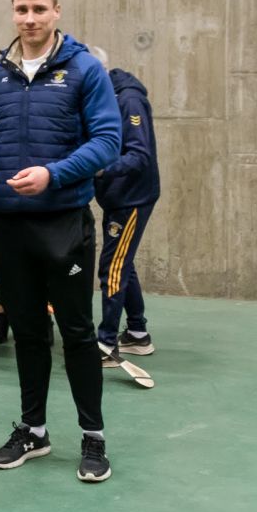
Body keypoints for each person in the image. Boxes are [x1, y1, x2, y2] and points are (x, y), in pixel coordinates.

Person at [0, 0, 121, 483]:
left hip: (64, 223)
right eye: (22, 10)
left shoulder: (85, 70)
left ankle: (94, 438)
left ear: (56, 12)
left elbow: (108, 141)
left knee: (77, 333)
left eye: (39, 9)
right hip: (9, 227)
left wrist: (54, 174)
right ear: (13, 12)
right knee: (27, 332)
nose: (30, 19)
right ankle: (34, 430)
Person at [88, 46, 161, 364]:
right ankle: (137, 334)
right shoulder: (101, 98)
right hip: (116, 196)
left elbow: (140, 154)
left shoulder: (128, 100)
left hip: (132, 198)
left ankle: (106, 345)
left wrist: (101, 168)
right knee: (123, 262)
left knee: (112, 268)